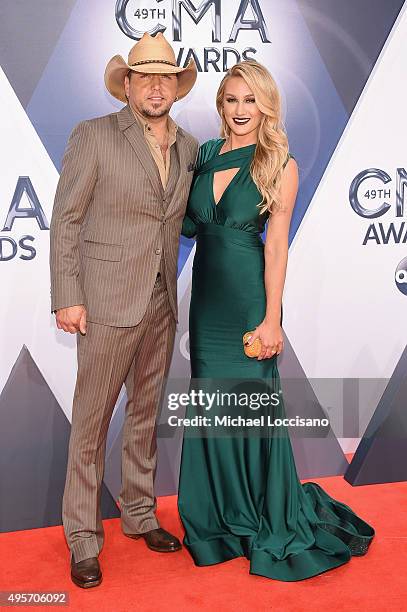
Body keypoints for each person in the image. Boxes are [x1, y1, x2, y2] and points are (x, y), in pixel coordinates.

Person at [177, 60, 375, 581]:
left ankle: (260, 512)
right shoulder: (203, 155)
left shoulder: (277, 161)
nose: (241, 111)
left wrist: (271, 320)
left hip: (246, 298)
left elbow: (277, 248)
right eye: (231, 100)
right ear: (220, 105)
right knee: (214, 408)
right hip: (206, 303)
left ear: (266, 106)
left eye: (250, 100)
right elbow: (189, 224)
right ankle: (219, 519)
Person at [49, 32, 199, 588]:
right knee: (90, 423)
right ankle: (83, 538)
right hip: (107, 300)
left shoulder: (188, 146)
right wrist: (68, 294)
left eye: (166, 77)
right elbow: (65, 219)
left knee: (143, 416)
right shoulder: (93, 137)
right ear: (128, 84)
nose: (156, 86)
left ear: (176, 87)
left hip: (161, 299)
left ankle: (138, 515)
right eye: (145, 76)